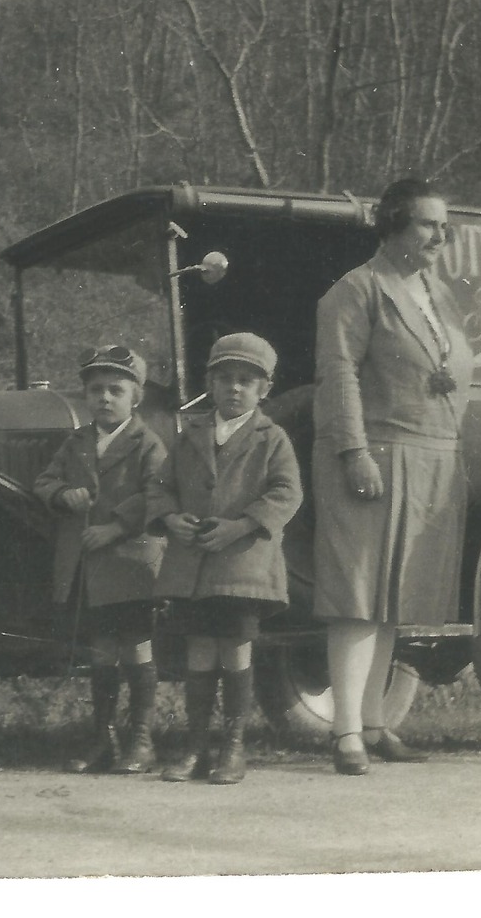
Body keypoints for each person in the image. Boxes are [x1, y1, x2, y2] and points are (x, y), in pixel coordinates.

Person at [312, 178, 474, 775]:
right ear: (395, 225)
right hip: (375, 454)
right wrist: (354, 451)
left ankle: (377, 724)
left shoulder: (437, 292)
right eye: (429, 224)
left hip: (430, 455)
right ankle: (345, 733)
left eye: (444, 224)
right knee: (359, 596)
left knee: (393, 601)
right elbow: (339, 375)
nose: (441, 235)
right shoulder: (357, 290)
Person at [148, 333, 302, 785]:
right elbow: (160, 486)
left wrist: (242, 525)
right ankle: (196, 747)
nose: (234, 389)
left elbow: (287, 492)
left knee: (234, 649)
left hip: (243, 567)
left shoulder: (272, 438)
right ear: (210, 384)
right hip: (193, 566)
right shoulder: (189, 435)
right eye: (225, 379)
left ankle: (233, 748)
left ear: (264, 390)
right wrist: (169, 517)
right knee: (198, 649)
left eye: (246, 381)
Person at [33, 346, 169, 774]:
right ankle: (103, 739)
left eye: (115, 390)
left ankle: (142, 740)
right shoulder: (77, 442)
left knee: (136, 647)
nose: (104, 399)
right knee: (102, 651)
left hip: (132, 564)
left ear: (136, 397)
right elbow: (45, 481)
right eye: (95, 390)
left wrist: (115, 528)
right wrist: (62, 494)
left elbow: (158, 493)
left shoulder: (148, 443)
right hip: (90, 569)